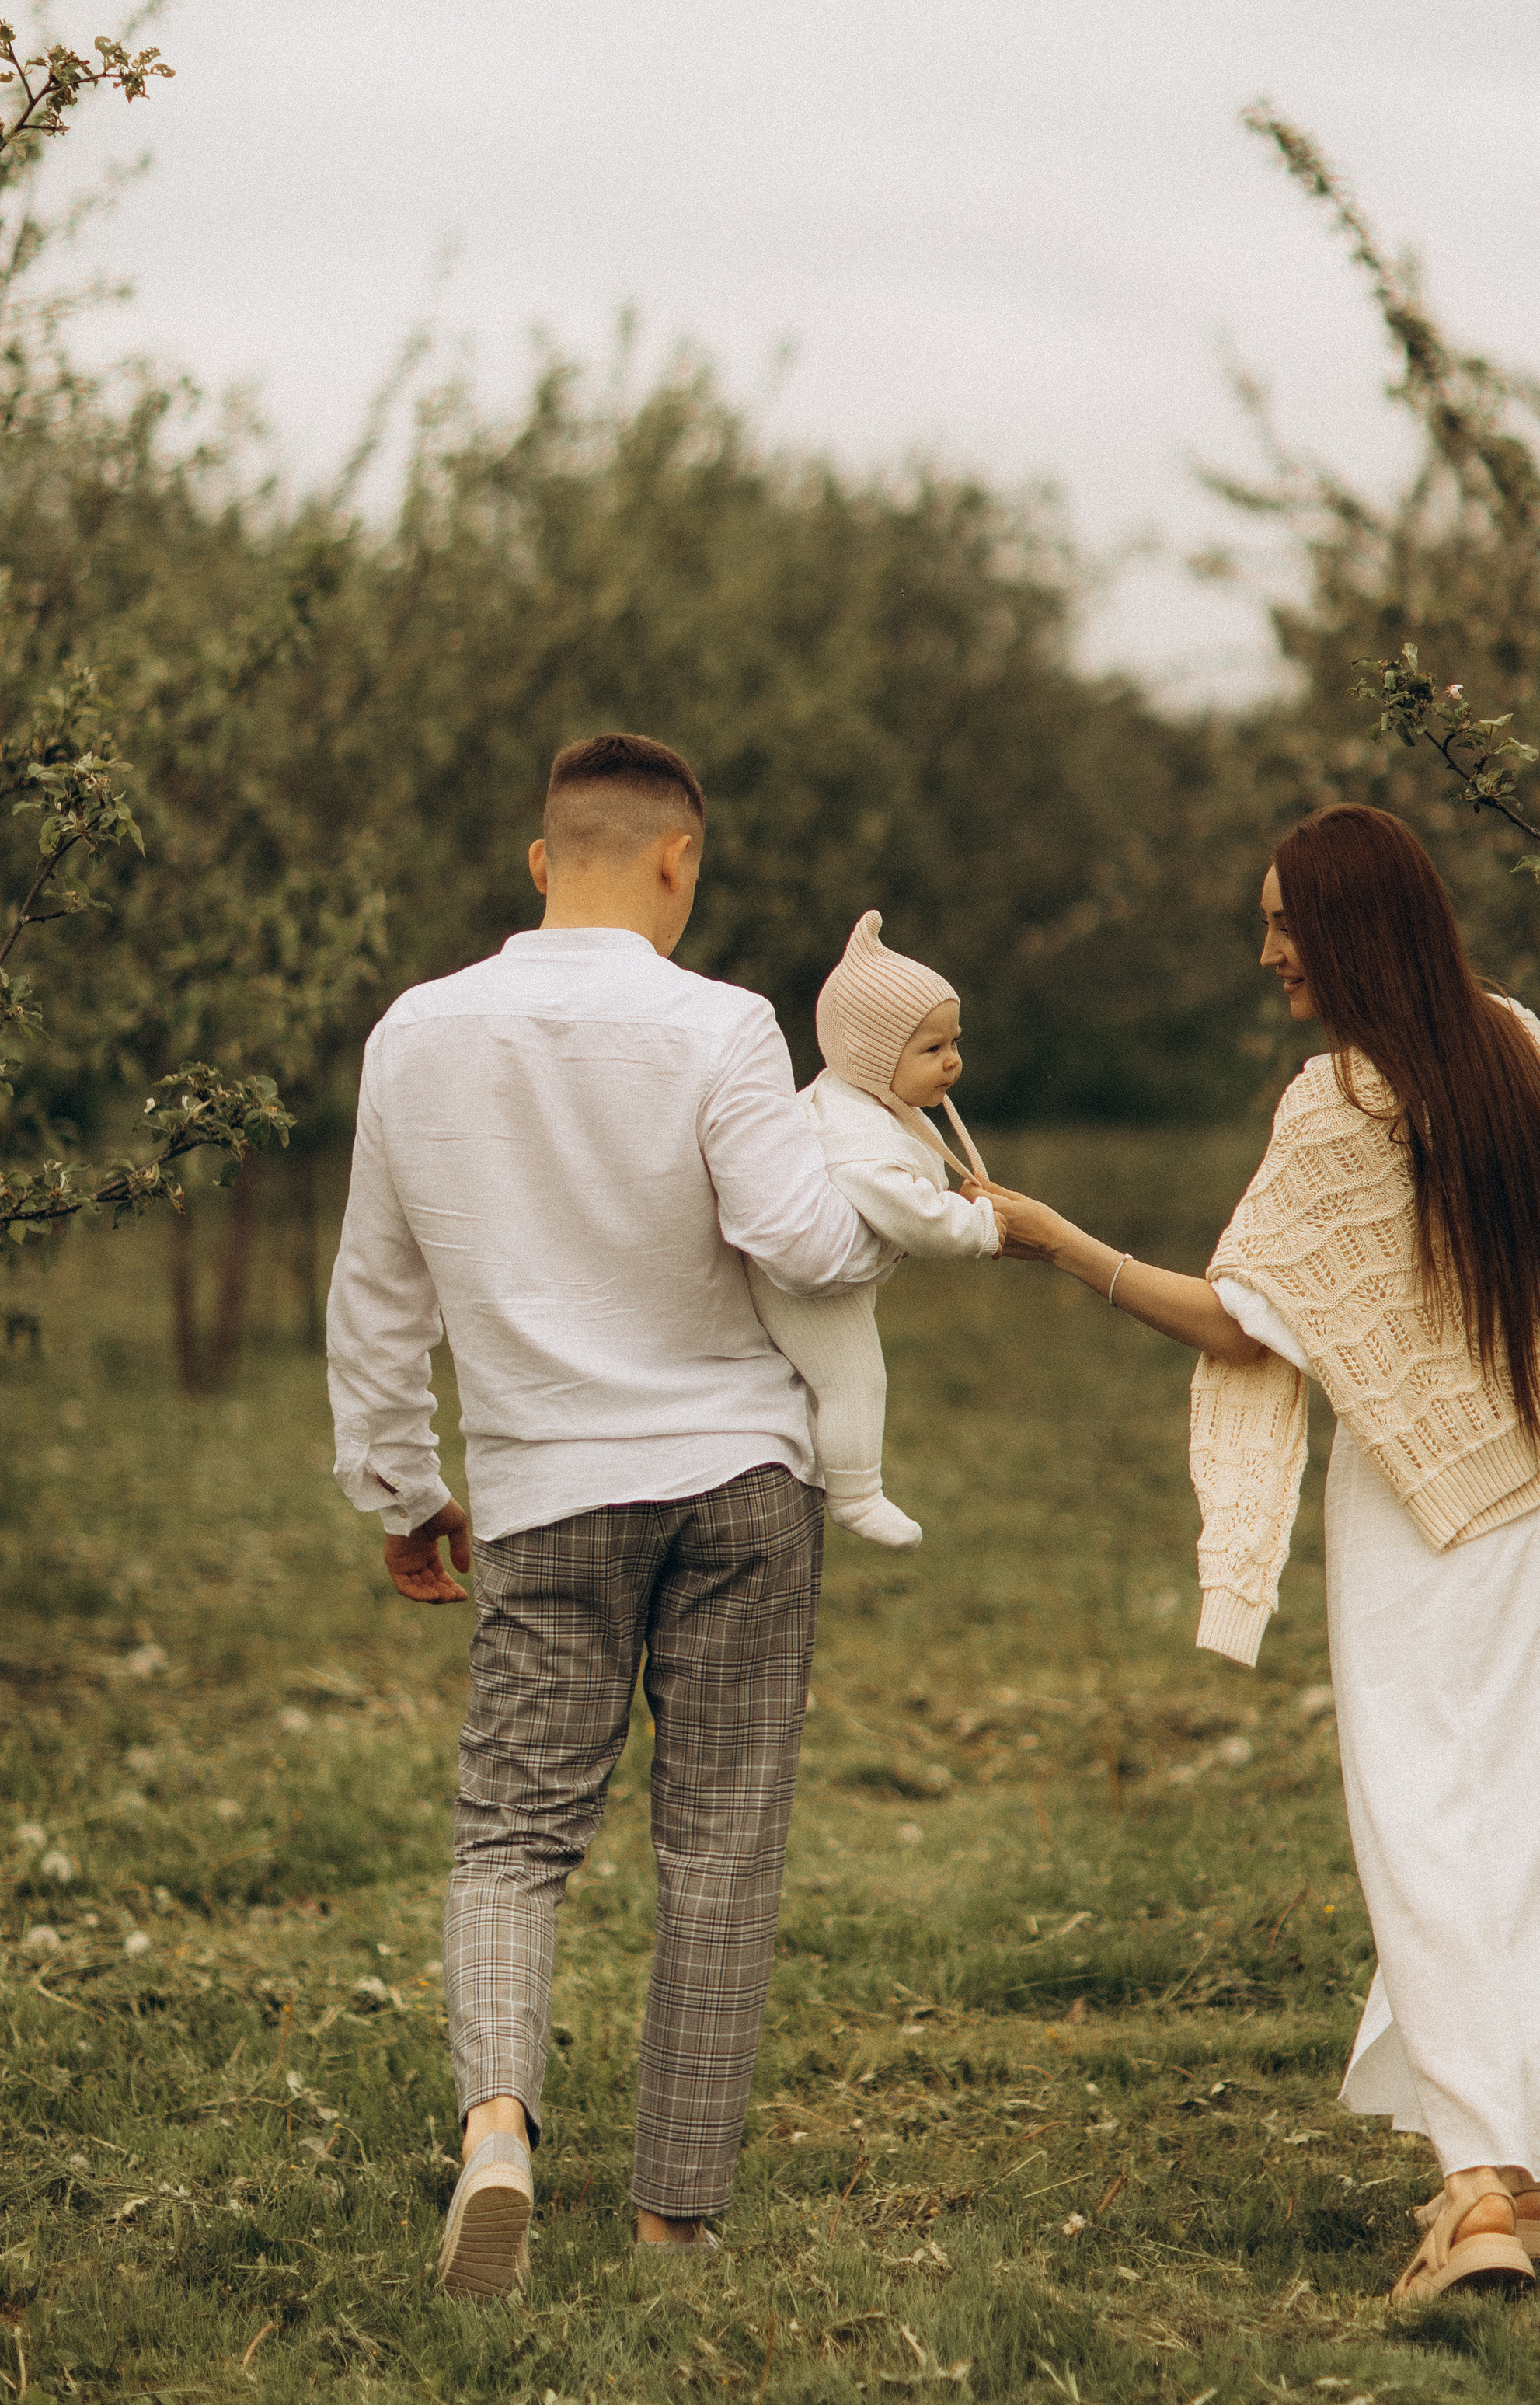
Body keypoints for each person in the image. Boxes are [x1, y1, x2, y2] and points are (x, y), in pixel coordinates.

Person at [984, 803, 1540, 2306]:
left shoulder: (1338, 1103)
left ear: (1352, 929)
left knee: (1431, 1830)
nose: (1268, 952)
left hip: (1424, 1529)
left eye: (1285, 923)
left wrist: (1059, 1245)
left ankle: (1481, 2193)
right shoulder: (1524, 1048)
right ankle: (1507, 2174)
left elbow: (1248, 1320)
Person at [326, 732, 979, 2299]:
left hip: (547, 1494)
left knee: (510, 1835)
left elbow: (376, 1292)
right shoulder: (725, 1024)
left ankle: (498, 2131)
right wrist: (908, 1204)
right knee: (722, 1848)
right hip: (740, 1480)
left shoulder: (414, 1034)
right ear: (677, 860)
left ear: (542, 861)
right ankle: (673, 2218)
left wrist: (405, 1490)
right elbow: (798, 1243)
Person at [747, 910, 999, 1547]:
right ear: (871, 1053)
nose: (951, 1063)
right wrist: (980, 1228)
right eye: (932, 1049)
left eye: (954, 1043)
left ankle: (821, 1463)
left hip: (814, 1270)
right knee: (855, 1376)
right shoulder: (852, 1134)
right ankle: (857, 1494)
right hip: (798, 1284)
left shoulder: (872, 1099)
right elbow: (909, 1214)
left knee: (830, 1378)